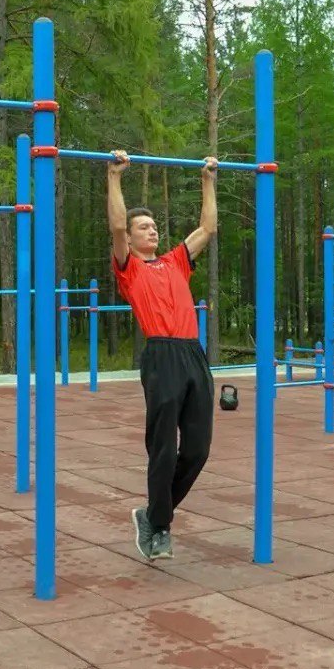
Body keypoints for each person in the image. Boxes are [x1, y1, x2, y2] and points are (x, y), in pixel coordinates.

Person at [106, 150, 219, 561]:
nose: (151, 231)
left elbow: (207, 228)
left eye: (154, 226)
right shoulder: (128, 268)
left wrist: (208, 180)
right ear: (131, 238)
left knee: (198, 448)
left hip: (193, 354)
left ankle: (153, 516)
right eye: (143, 227)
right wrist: (114, 177)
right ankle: (161, 527)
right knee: (163, 448)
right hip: (161, 356)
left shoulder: (175, 262)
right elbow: (116, 224)